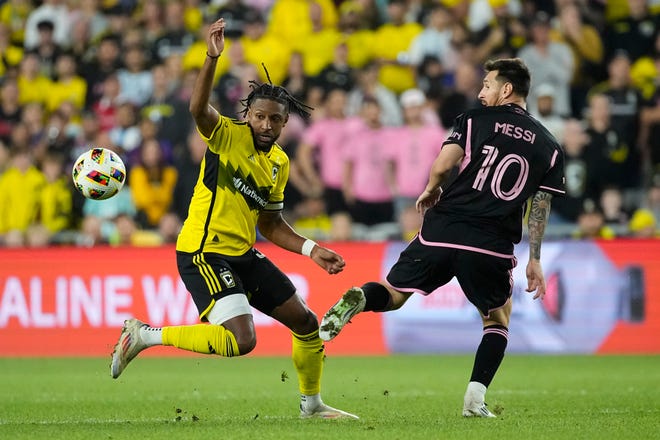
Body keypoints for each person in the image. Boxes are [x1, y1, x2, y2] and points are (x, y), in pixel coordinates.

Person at [110, 18, 358, 420]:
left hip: (241, 253)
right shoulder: (226, 135)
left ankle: (311, 406)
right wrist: (212, 57)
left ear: (284, 123)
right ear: (249, 114)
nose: (265, 124)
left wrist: (312, 249)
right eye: (259, 116)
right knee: (243, 340)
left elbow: (271, 224)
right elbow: (196, 108)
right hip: (203, 252)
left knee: (306, 321)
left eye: (274, 119)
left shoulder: (279, 162)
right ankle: (143, 334)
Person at [319, 58, 566, 418]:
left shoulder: (472, 120)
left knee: (392, 294)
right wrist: (535, 259)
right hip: (489, 243)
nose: (481, 92)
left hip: (442, 229)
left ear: (506, 90)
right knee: (496, 321)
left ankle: (359, 299)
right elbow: (539, 208)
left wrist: (432, 188)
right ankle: (474, 400)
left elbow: (443, 165)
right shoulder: (549, 145)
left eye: (487, 85)